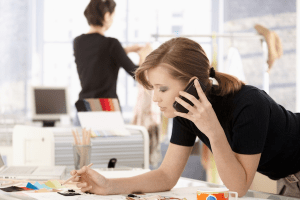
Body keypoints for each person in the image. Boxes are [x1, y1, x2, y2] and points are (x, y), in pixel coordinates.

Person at [71, 37, 300, 198]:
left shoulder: (250, 105)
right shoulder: (184, 111)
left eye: (162, 89)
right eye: (153, 89)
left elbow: (238, 187)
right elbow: (166, 175)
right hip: (287, 176)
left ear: (193, 85)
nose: (155, 99)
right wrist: (109, 185)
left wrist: (212, 130)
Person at [73, 0, 152, 107]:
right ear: (107, 16)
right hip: (106, 105)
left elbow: (99, 59)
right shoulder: (112, 44)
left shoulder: (78, 42)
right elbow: (137, 74)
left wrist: (125, 50)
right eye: (113, 16)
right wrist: (144, 56)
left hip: (84, 104)